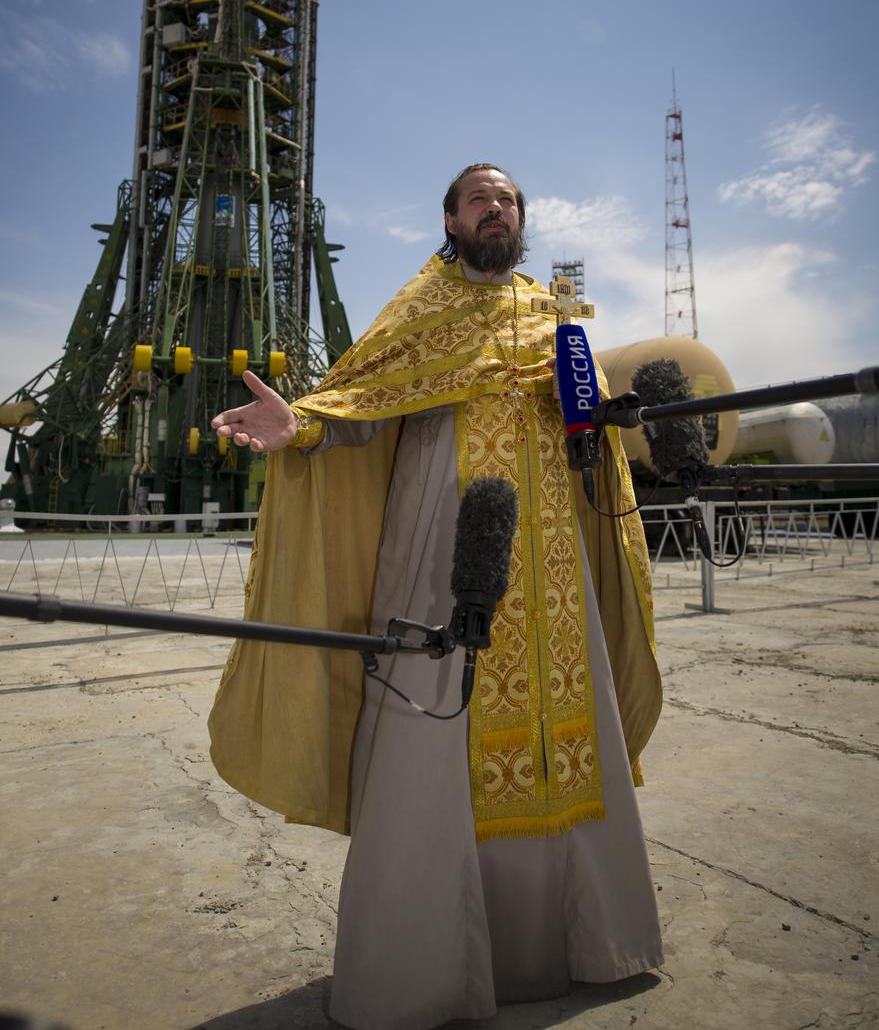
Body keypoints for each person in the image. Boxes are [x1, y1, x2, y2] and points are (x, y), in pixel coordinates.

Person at [208, 163, 663, 1030]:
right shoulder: (419, 311)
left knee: (563, 742)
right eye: (479, 200)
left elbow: (590, 423)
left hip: (554, 570)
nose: (497, 210)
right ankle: (426, 972)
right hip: (442, 554)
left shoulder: (554, 315)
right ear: (450, 220)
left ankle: (582, 943)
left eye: (510, 201)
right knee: (435, 730)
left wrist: (605, 413)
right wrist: (300, 422)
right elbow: (364, 400)